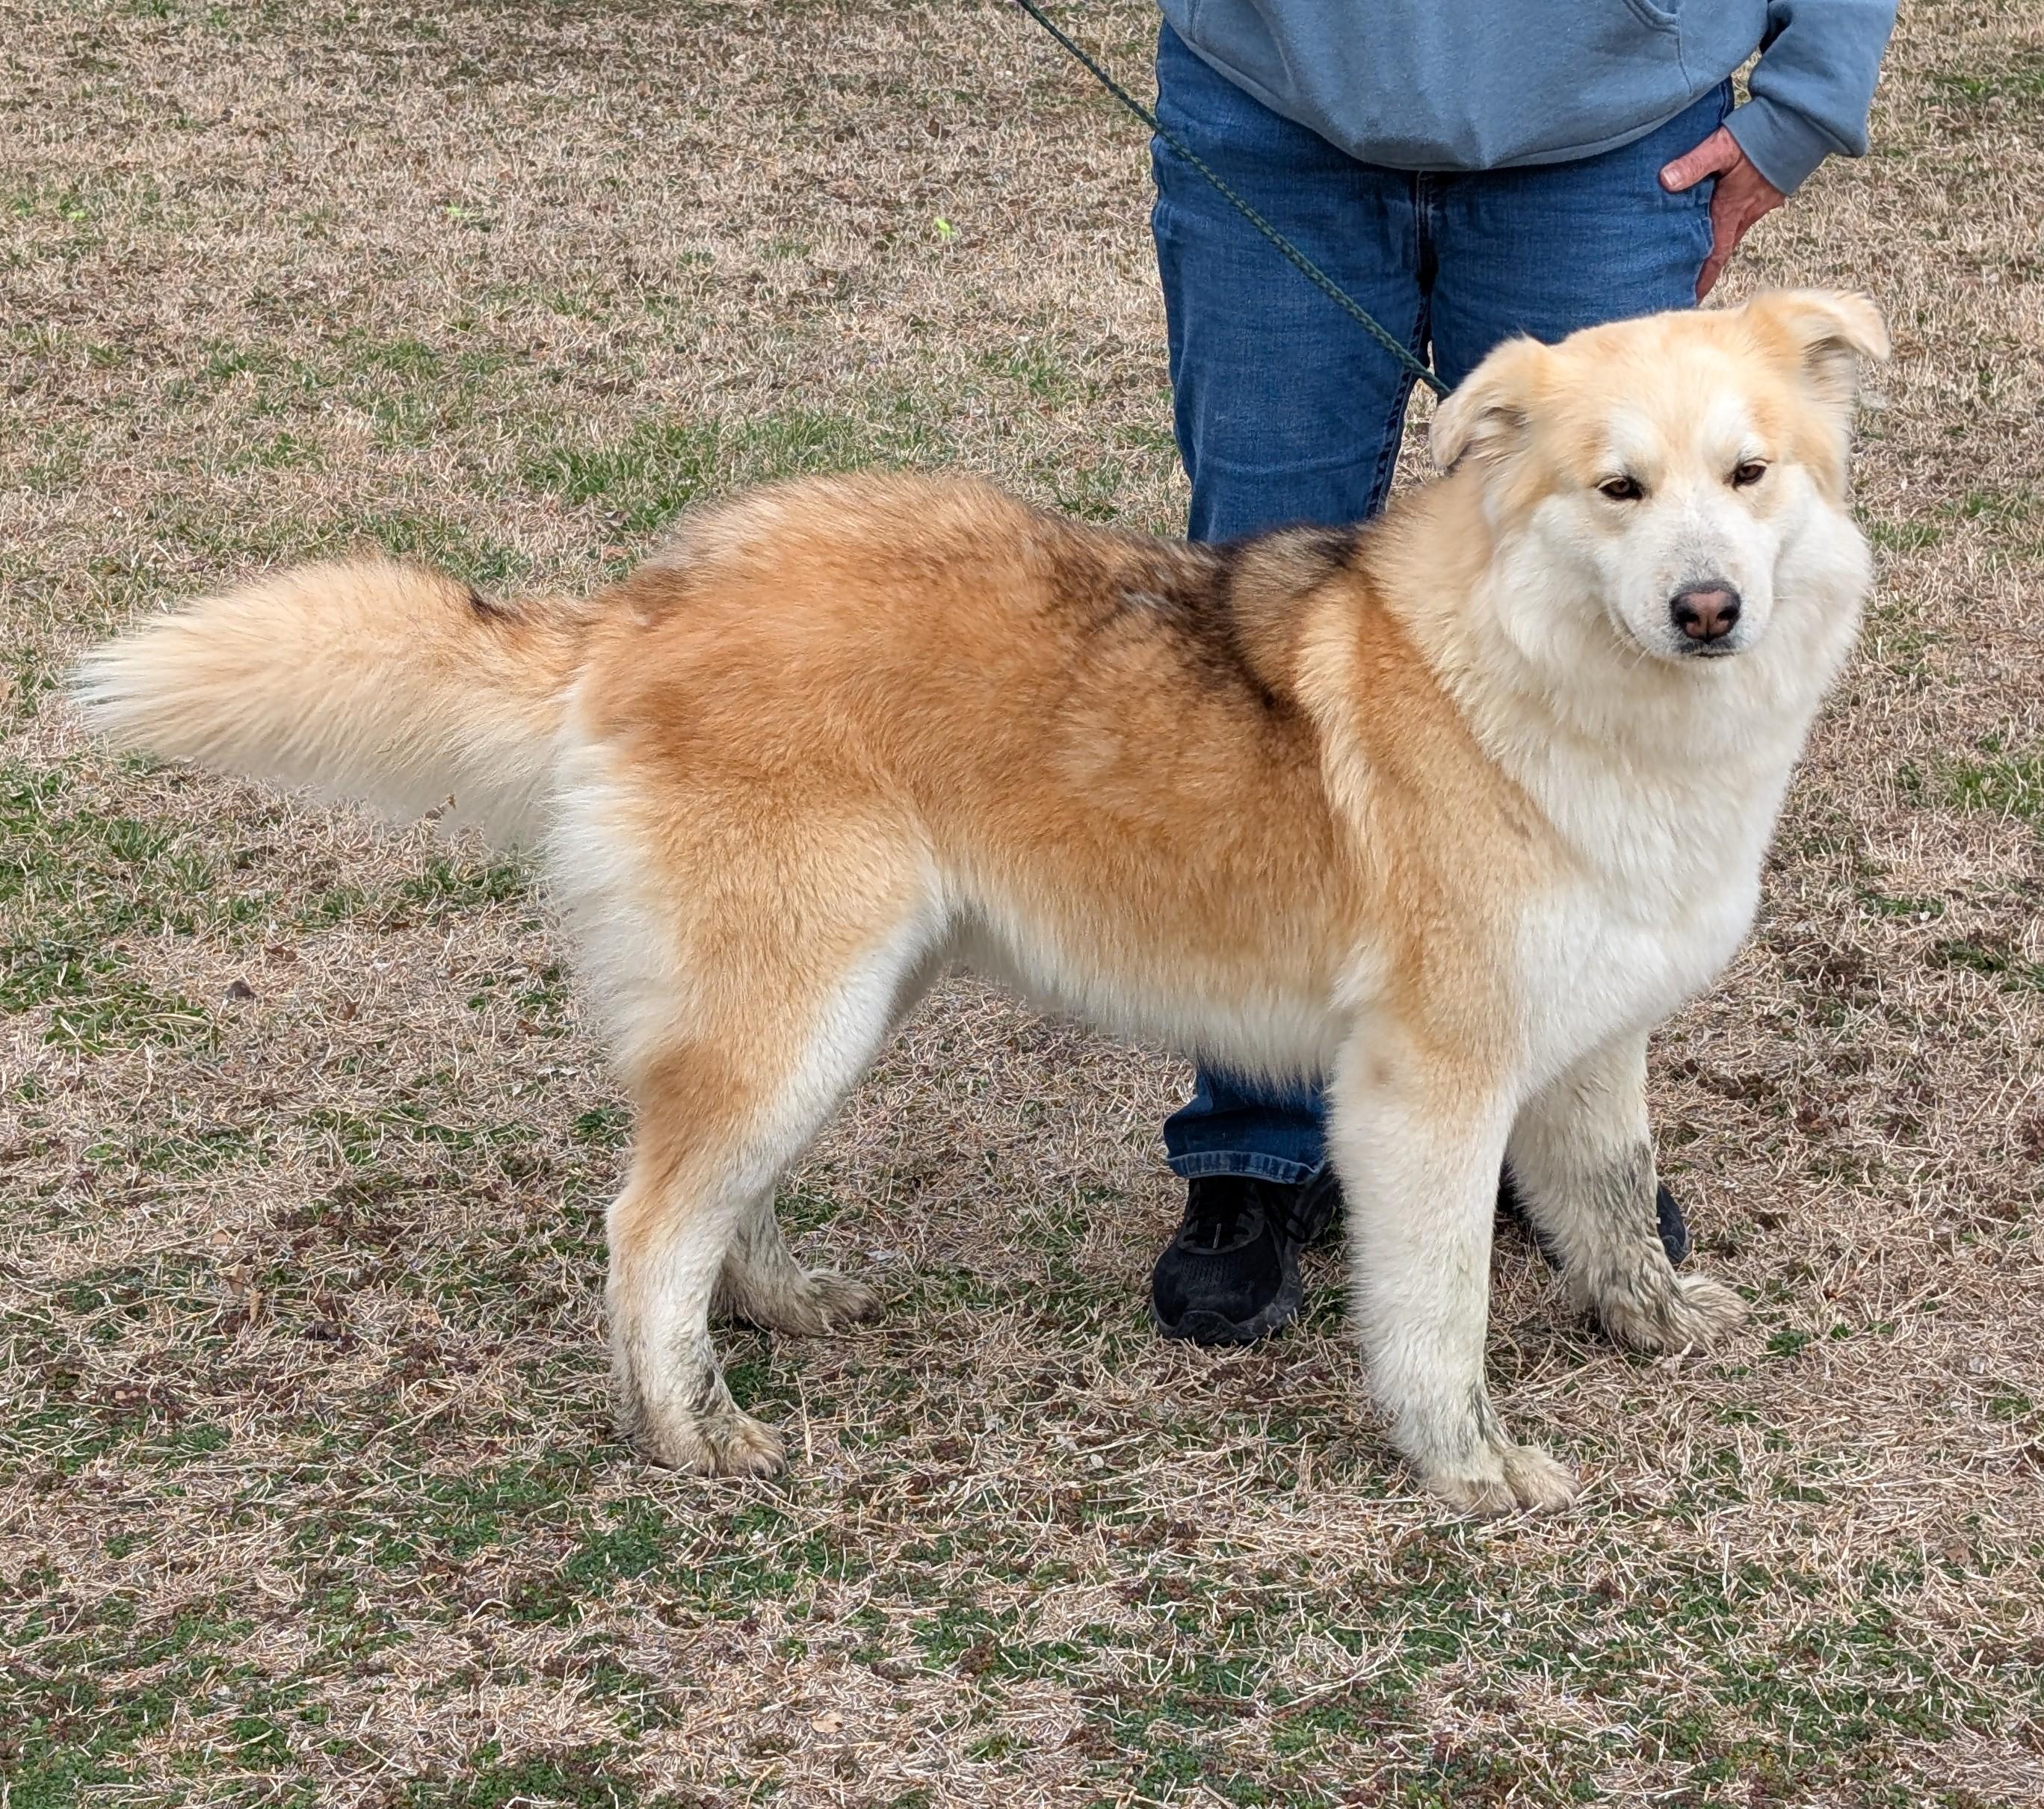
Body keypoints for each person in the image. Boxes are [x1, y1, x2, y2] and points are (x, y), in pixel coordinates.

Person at [1145, 0, 1898, 1346]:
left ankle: (1547, 1125)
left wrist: (1804, 102)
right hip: (1269, 100)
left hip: (1605, 128)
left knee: (1625, 633)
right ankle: (1257, 1137)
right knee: (1253, 674)